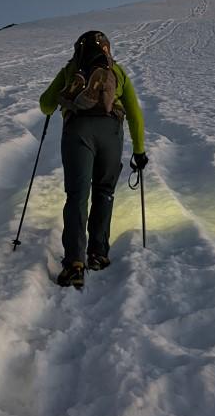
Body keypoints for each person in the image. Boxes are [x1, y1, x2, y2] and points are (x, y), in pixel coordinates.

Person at [39, 30, 147, 290]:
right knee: (104, 192)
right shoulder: (117, 72)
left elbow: (45, 105)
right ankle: (98, 253)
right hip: (110, 133)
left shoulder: (70, 70)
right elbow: (134, 114)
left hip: (77, 132)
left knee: (77, 195)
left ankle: (75, 262)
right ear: (108, 50)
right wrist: (139, 151)